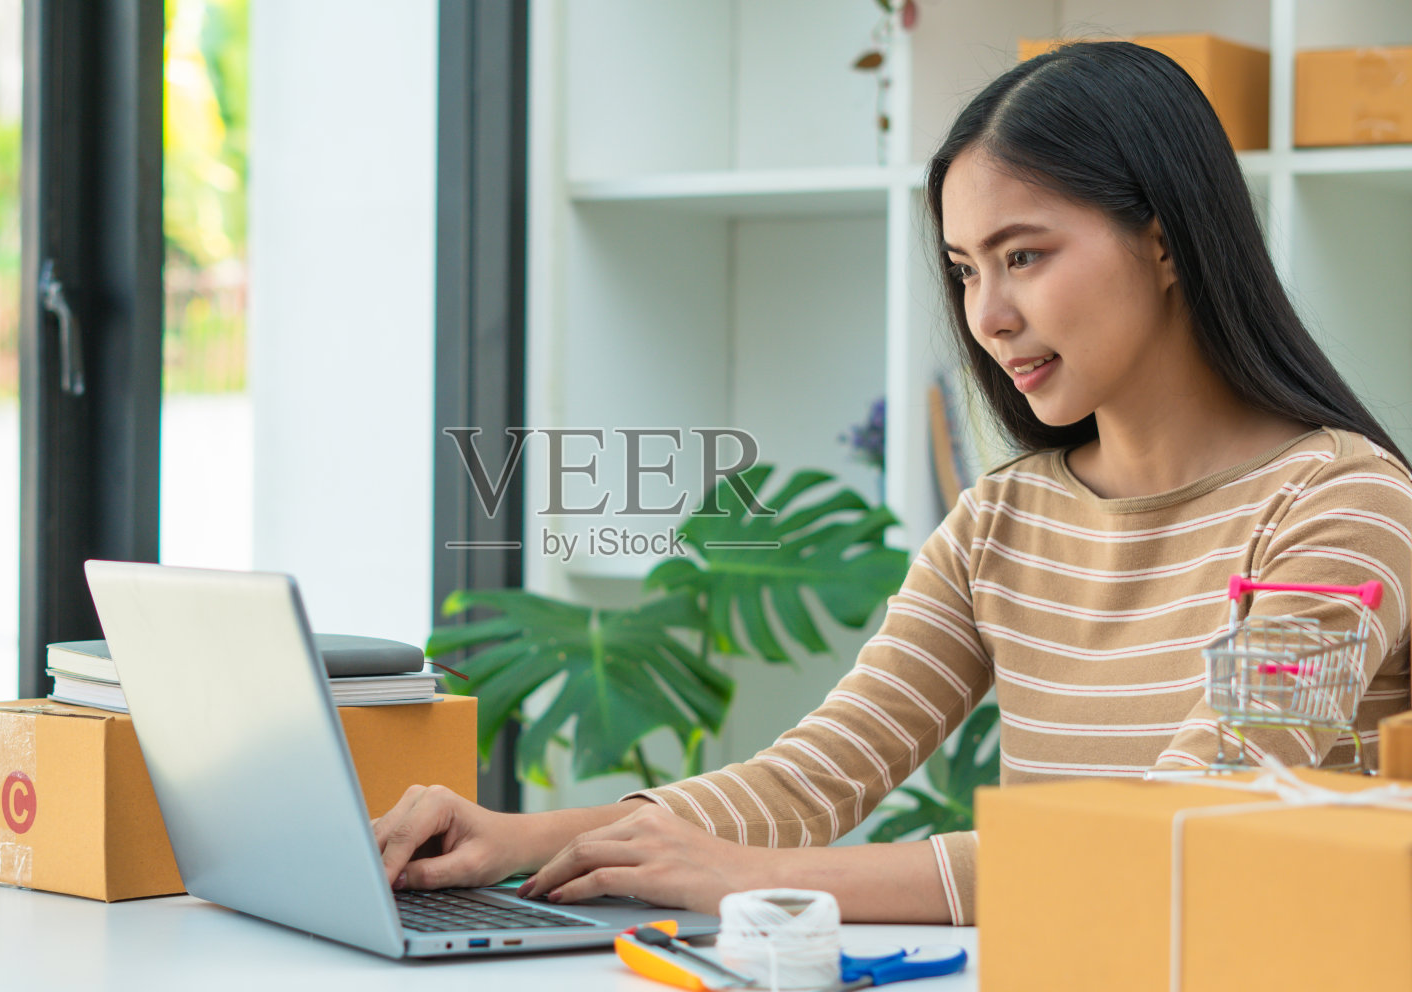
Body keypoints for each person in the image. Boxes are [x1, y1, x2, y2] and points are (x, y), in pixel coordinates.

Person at [375, 41, 1412, 926]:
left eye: (1024, 255)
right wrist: (512, 835)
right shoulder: (1002, 521)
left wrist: (765, 882)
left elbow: (1181, 820)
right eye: (965, 268)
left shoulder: (1341, 506)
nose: (986, 314)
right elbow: (812, 776)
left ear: (1162, 238)